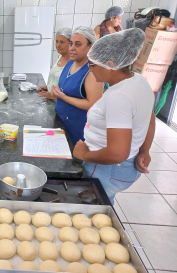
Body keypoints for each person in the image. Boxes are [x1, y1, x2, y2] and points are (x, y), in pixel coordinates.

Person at [73, 28, 155, 205]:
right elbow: (149, 119)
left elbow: (117, 153)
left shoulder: (119, 96)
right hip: (125, 166)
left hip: (107, 167)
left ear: (110, 65)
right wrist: (144, 150)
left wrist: (85, 155)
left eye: (92, 64)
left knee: (94, 212)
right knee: (103, 205)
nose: (90, 69)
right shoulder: (139, 81)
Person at [50, 26, 104, 146]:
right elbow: (66, 88)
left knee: (74, 162)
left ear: (90, 46)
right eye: (71, 44)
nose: (72, 48)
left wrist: (63, 97)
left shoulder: (92, 71)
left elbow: (92, 104)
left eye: (78, 44)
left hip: (78, 129)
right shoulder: (71, 63)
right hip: (61, 121)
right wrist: (57, 92)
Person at [37, 28, 72, 99]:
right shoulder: (60, 57)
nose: (58, 45)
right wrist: (49, 87)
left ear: (71, 43)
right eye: (57, 41)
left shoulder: (73, 63)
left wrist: (53, 96)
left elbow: (71, 93)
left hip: (59, 103)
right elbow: (57, 79)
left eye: (62, 42)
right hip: (50, 99)